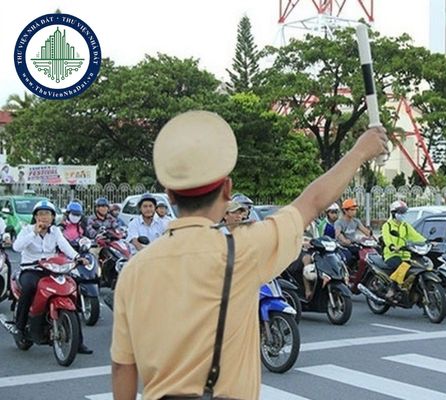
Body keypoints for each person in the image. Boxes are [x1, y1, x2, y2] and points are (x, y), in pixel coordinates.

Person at [111, 110, 387, 400]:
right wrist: (360, 151)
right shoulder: (244, 249)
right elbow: (313, 201)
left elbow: (122, 367)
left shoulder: (134, 270)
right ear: (228, 189)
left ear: (169, 195)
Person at [11, 200, 93, 354]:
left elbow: (64, 246)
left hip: (52, 269)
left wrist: (77, 257)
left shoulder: (55, 231)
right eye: (41, 214)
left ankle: (78, 342)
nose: (44, 217)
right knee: (29, 287)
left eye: (47, 214)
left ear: (53, 217)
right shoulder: (27, 229)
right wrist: (34, 232)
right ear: (35, 217)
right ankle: (20, 327)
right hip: (31, 269)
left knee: (73, 287)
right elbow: (17, 247)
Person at [380, 200, 426, 298]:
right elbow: (387, 239)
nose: (403, 215)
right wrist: (392, 246)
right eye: (401, 212)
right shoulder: (387, 226)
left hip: (406, 254)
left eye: (404, 212)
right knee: (402, 266)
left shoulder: (405, 226)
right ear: (393, 213)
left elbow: (415, 236)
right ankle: (392, 288)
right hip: (391, 254)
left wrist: (426, 241)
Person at [335, 198, 372, 268]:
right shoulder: (339, 222)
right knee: (348, 257)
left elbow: (365, 231)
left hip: (353, 245)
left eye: (355, 210)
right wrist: (345, 241)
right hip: (342, 246)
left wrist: (372, 236)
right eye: (352, 210)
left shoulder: (356, 221)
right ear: (345, 210)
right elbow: (338, 234)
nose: (354, 212)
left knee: (365, 255)